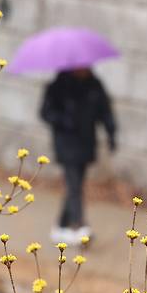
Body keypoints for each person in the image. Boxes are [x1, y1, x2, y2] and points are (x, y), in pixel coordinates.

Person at [40, 68, 117, 244]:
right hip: (66, 144)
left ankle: (60, 225)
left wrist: (111, 133)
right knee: (74, 184)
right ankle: (80, 226)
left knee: (75, 184)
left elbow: (105, 111)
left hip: (86, 143)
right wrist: (63, 120)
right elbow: (45, 112)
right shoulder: (58, 86)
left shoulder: (94, 85)